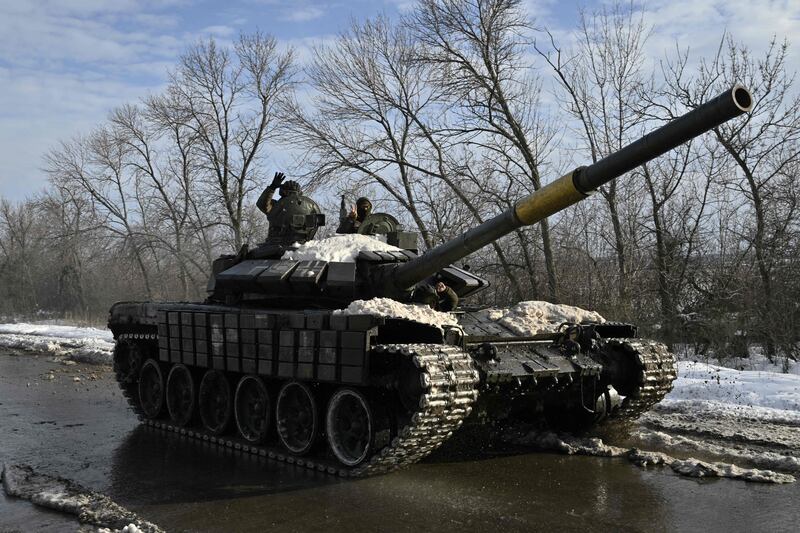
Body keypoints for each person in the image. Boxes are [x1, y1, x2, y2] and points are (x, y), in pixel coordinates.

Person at [256, 172, 324, 245]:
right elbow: (315, 225)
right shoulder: (309, 207)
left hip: (276, 243)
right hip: (302, 244)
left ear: (282, 192)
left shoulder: (276, 206)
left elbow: (262, 204)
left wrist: (272, 188)